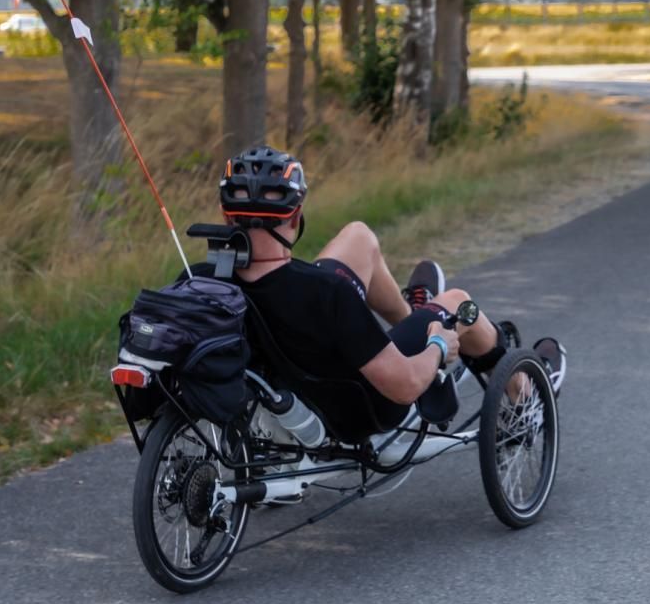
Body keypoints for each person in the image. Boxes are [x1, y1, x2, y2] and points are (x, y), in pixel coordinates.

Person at [193, 146, 564, 434]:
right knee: (457, 302)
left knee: (358, 237)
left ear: (227, 217)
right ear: (295, 215)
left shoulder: (204, 280)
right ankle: (525, 394)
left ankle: (412, 317)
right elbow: (404, 388)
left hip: (279, 394)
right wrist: (437, 345)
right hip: (362, 410)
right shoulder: (327, 293)